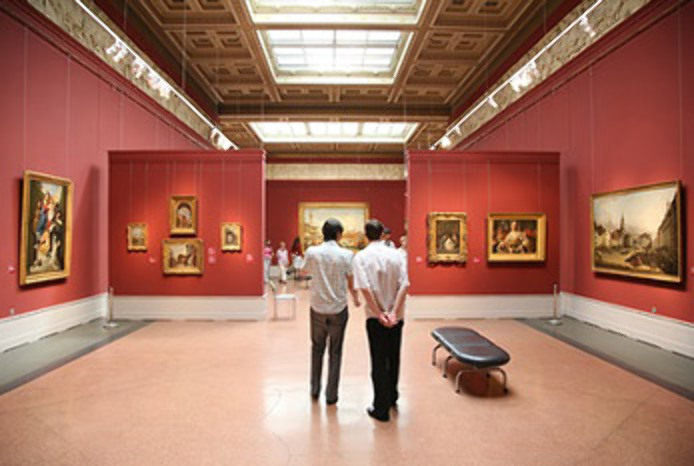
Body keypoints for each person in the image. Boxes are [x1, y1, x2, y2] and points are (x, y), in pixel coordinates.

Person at [353, 219, 409, 422]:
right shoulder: (397, 255)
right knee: (394, 357)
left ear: (366, 235)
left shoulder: (361, 257)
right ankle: (392, 396)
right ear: (383, 234)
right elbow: (405, 284)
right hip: (397, 317)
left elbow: (365, 288)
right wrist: (393, 312)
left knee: (378, 361)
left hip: (375, 318)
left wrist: (379, 314)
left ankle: (381, 408)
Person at [300, 219, 361, 405]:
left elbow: (303, 272)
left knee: (317, 349)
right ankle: (331, 395)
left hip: (318, 307)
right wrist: (356, 298)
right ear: (338, 234)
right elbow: (351, 281)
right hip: (338, 308)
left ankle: (315, 389)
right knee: (336, 351)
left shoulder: (312, 252)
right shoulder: (346, 255)